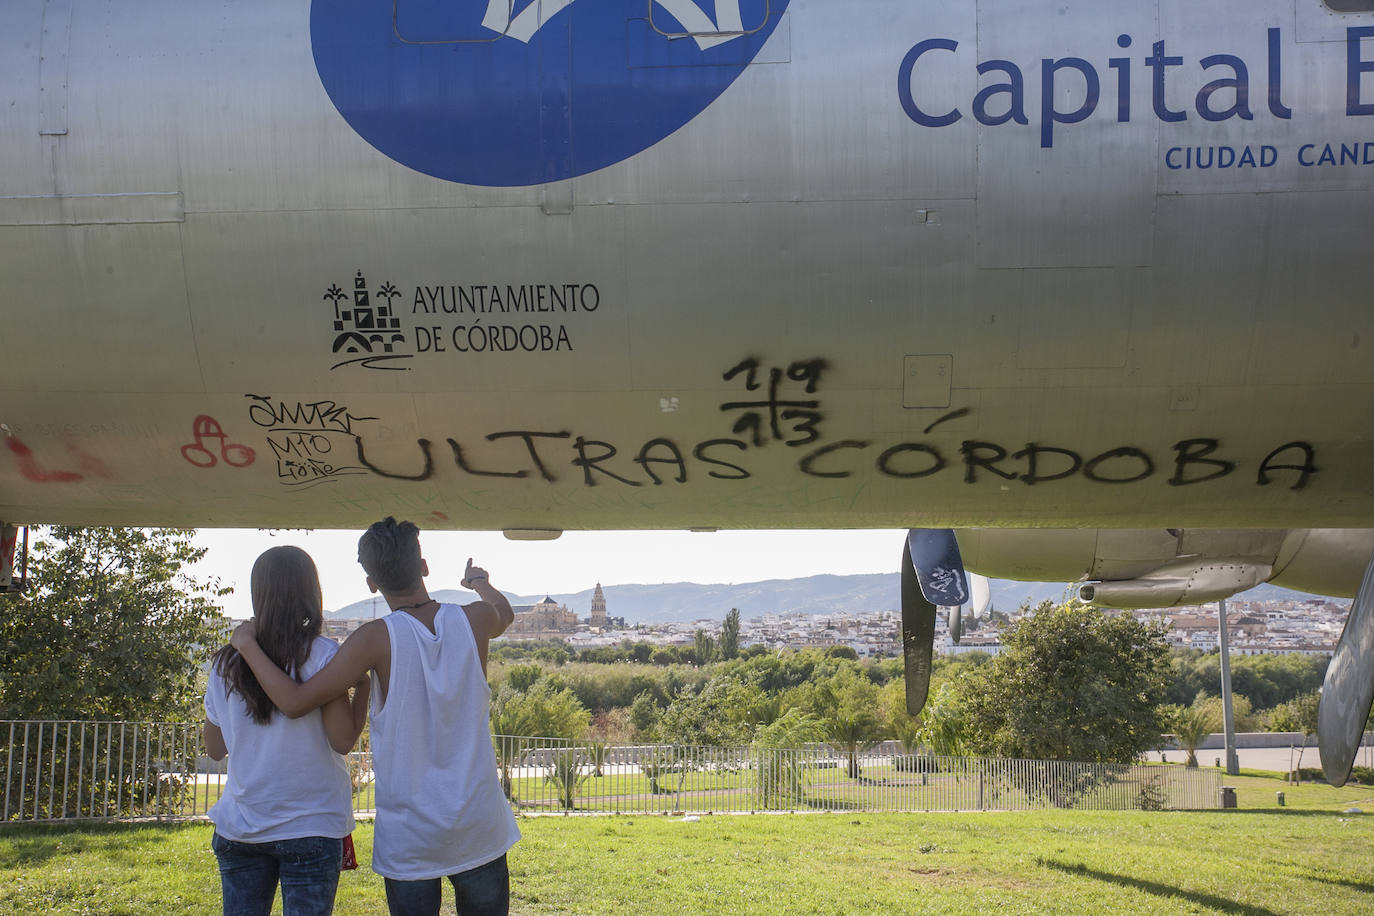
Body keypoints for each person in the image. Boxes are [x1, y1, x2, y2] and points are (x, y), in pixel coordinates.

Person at [230, 517, 520, 916]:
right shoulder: (474, 620)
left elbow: (294, 702)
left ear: (371, 582)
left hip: (410, 833)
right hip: (479, 822)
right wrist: (478, 581)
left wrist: (246, 645)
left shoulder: (373, 639)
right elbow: (503, 611)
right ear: (424, 566)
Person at [203, 545, 370, 916]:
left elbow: (215, 748)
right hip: (311, 824)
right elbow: (342, 741)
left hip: (241, 827)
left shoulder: (225, 663)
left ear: (257, 592)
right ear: (310, 591)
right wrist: (364, 690)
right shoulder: (326, 655)